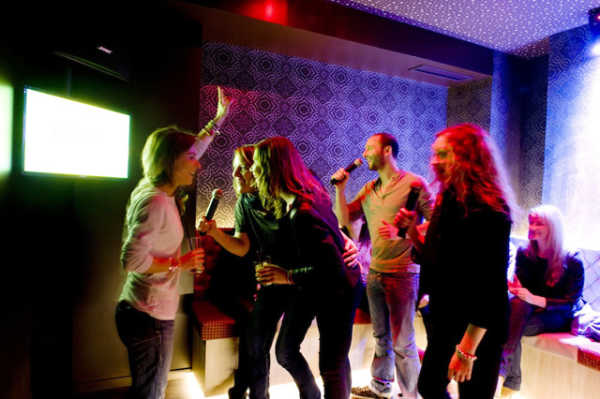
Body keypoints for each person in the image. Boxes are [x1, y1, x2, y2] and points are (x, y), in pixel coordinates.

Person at [198, 142, 360, 399]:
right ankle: (260, 396)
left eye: (242, 169)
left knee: (318, 357)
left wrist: (344, 240)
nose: (235, 176)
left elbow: (319, 220)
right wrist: (215, 232)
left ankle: (312, 394)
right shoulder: (246, 203)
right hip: (277, 278)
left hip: (304, 280)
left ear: (260, 170)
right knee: (257, 344)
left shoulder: (289, 196)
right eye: (234, 170)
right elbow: (242, 247)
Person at [115, 88, 230, 399]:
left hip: (142, 310)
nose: (198, 164)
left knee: (150, 388)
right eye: (191, 159)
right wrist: (180, 263)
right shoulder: (156, 202)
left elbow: (197, 148)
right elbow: (132, 260)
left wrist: (219, 118)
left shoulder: (155, 187)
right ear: (170, 161)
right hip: (148, 316)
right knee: (151, 392)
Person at [396, 123, 515, 399]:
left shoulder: (489, 207)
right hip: (447, 317)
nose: (435, 161)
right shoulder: (449, 198)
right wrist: (414, 231)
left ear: (469, 158)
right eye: (434, 154)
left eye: (444, 154)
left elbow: (491, 286)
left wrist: (467, 350)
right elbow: (435, 260)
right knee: (428, 386)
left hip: (478, 327)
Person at [252, 136, 361, 399]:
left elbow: (331, 272)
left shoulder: (302, 211)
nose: (252, 171)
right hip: (319, 286)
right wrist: (344, 239)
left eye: (256, 165)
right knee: (291, 350)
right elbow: (330, 233)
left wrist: (285, 276)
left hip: (340, 291)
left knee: (331, 365)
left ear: (272, 168)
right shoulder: (303, 193)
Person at [331, 132, 433, 399]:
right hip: (375, 273)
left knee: (403, 343)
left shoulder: (414, 184)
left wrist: (407, 231)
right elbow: (343, 218)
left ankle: (411, 395)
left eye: (369, 148)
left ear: (387, 150)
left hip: (404, 273)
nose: (364, 154)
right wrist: (340, 190)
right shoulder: (369, 189)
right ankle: (381, 387)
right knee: (381, 338)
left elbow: (437, 223)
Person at [497, 205, 584, 398]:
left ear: (552, 228)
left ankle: (505, 375)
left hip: (558, 315)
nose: (531, 226)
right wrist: (515, 289)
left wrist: (537, 299)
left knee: (510, 324)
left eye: (538, 223)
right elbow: (522, 293)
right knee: (512, 313)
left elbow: (570, 303)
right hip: (527, 310)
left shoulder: (572, 259)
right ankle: (508, 381)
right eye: (531, 222)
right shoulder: (524, 253)